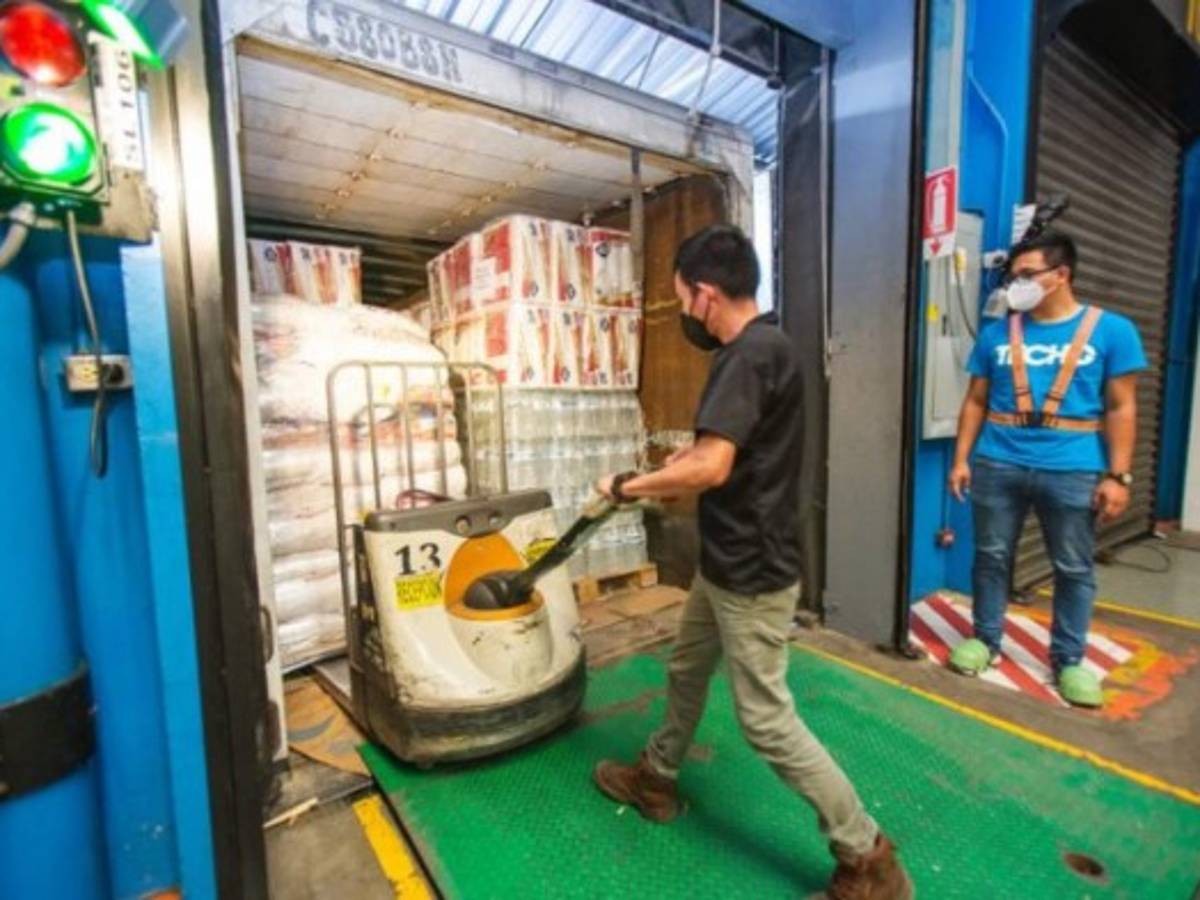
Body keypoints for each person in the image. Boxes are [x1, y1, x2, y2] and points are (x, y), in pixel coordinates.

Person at [592, 225, 912, 900]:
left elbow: (712, 465)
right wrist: (671, 468)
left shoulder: (747, 356)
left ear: (706, 295)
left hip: (752, 572)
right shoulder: (769, 346)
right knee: (686, 668)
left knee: (766, 719)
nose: (684, 313)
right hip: (726, 562)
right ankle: (656, 778)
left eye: (683, 299)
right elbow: (722, 451)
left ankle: (868, 857)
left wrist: (627, 487)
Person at [948, 229, 1146, 708]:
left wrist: (1118, 475)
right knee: (991, 557)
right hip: (999, 462)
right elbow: (975, 401)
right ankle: (985, 640)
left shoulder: (1112, 331)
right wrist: (961, 459)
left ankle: (1069, 660)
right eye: (1013, 276)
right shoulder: (997, 334)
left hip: (1073, 468)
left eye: (1026, 274)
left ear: (1060, 275)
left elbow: (1122, 407)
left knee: (1073, 566)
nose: (1016, 284)